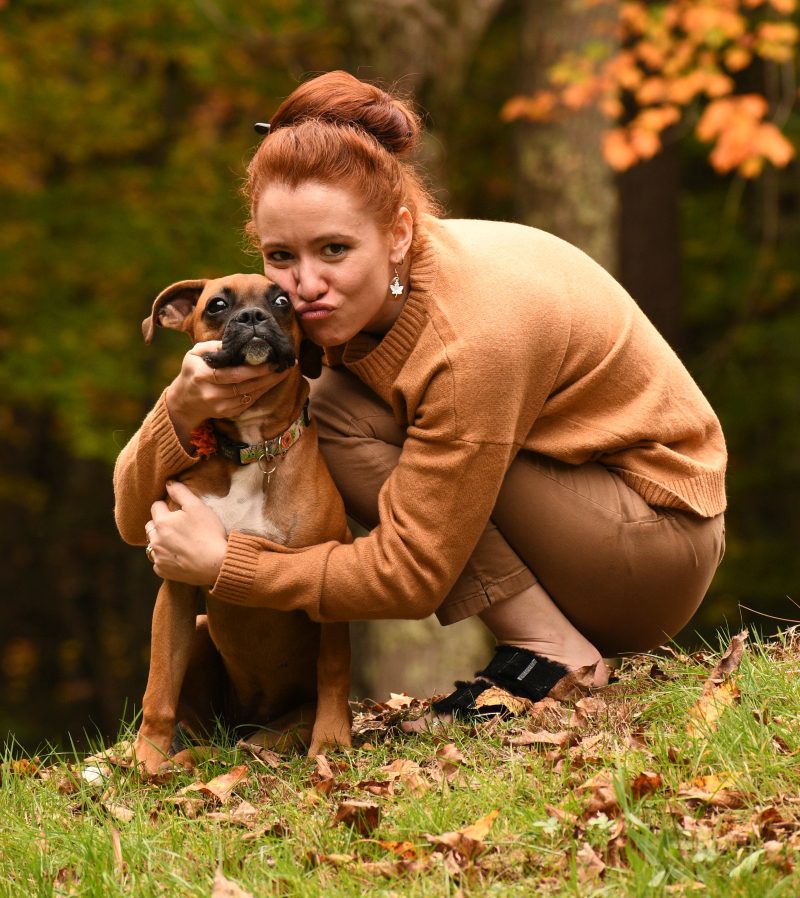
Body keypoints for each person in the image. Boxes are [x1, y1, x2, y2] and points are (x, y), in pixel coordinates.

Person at [115, 70, 726, 723]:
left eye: (334, 249)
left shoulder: (469, 338)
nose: (307, 282)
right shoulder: (356, 305)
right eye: (281, 255)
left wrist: (227, 564)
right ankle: (553, 640)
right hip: (576, 512)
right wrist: (180, 407)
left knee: (323, 410)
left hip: (652, 542)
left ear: (398, 233)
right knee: (325, 406)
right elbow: (133, 526)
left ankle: (553, 652)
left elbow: (412, 572)